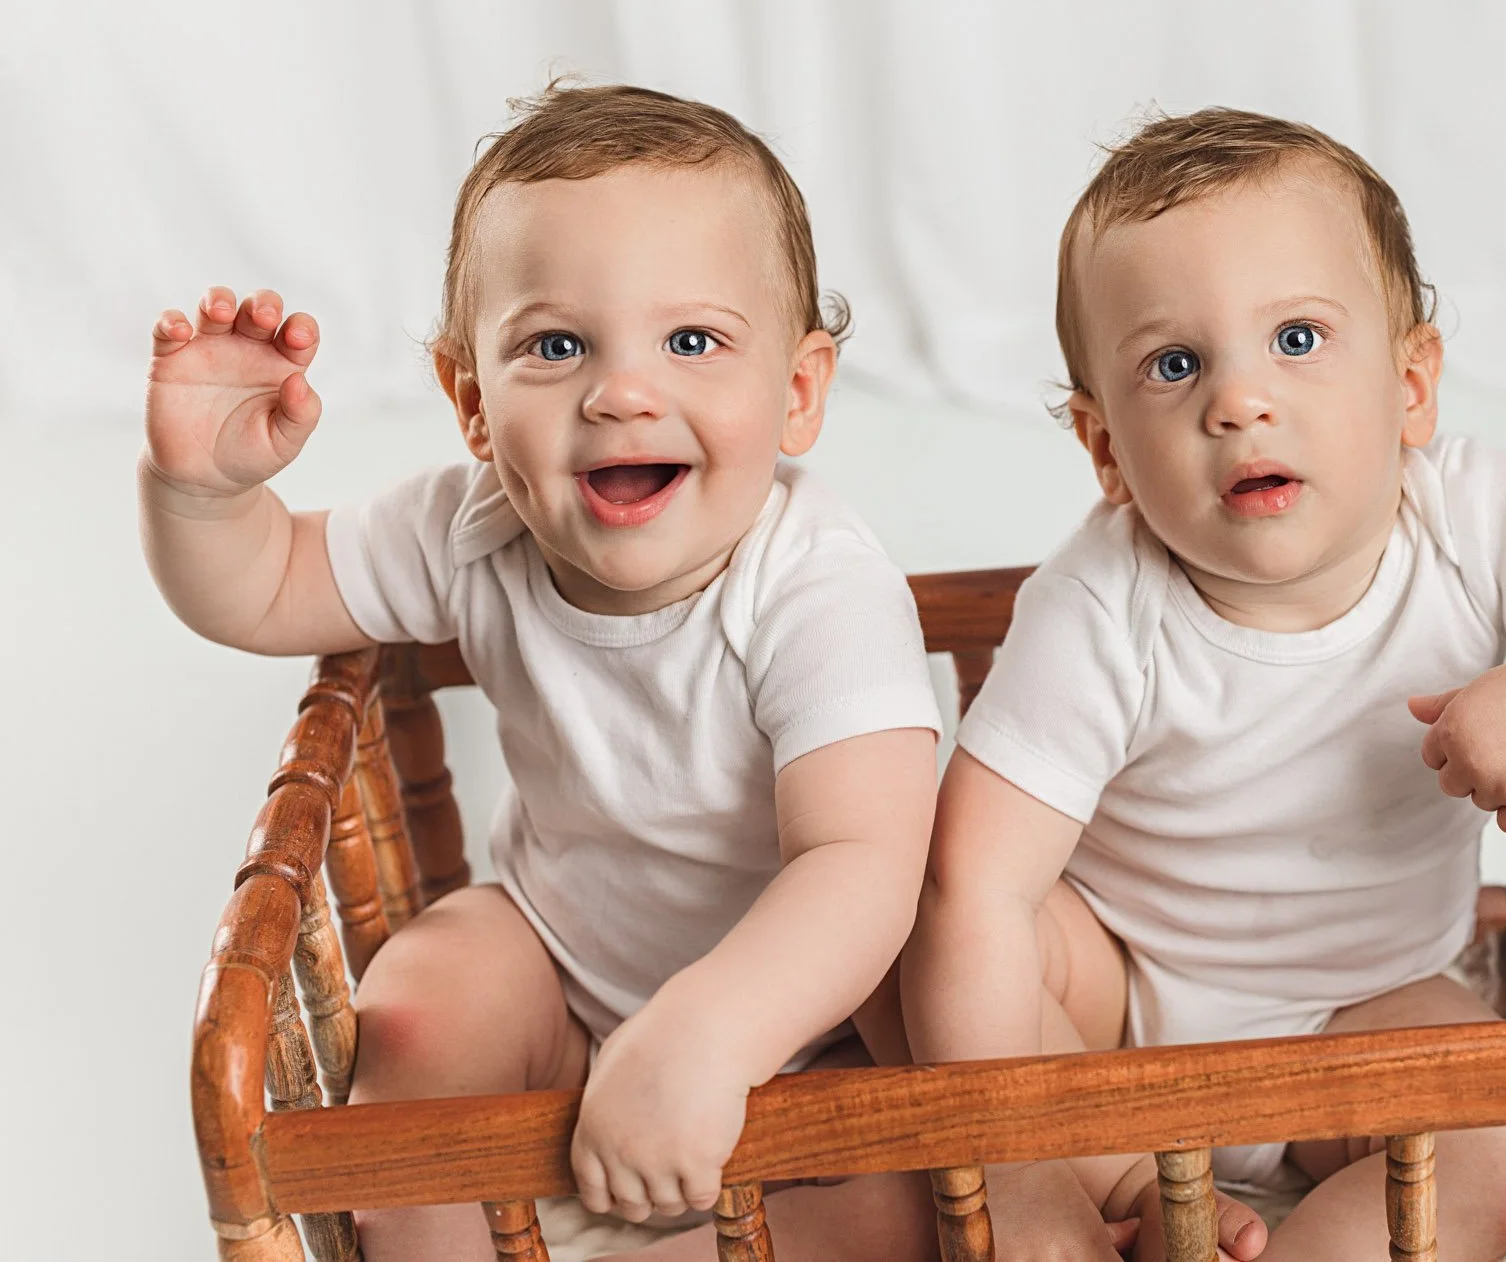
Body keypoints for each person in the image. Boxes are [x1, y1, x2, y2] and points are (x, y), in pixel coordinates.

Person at [898, 108, 1506, 1261]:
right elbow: (974, 886)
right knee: (933, 938)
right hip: (1116, 993)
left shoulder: (1470, 518)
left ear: (1411, 382)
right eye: (1174, 365)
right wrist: (1019, 1146)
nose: (1239, 400)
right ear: (1106, 449)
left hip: (1364, 1003)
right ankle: (1108, 1186)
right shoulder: (1094, 604)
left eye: (1299, 338)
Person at [141, 83, 942, 1261]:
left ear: (797, 390)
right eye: (555, 345)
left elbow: (861, 865)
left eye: (692, 340)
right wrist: (201, 490)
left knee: (919, 1184)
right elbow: (258, 588)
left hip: (805, 1028)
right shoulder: (469, 527)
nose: (621, 391)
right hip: (559, 971)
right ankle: (433, 1237)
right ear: (470, 400)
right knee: (419, 995)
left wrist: (708, 1034)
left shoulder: (820, 588)